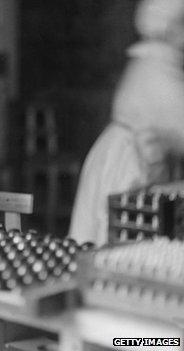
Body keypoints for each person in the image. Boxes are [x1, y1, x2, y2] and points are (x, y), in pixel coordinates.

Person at [69, 0, 184, 246]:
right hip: (125, 163)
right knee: (111, 245)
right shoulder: (156, 66)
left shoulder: (156, 60)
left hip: (128, 157)